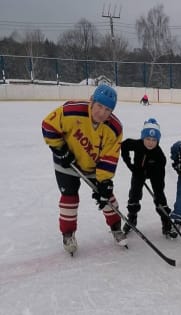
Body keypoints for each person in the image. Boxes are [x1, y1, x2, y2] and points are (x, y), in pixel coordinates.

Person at [41, 84, 127, 255]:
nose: (102, 113)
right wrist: (60, 151)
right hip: (67, 162)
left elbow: (109, 157)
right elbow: (48, 126)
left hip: (94, 166)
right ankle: (68, 234)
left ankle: (116, 227)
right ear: (91, 101)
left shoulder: (114, 129)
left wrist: (104, 182)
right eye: (99, 106)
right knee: (69, 197)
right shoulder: (72, 111)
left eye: (107, 110)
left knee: (107, 196)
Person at [120, 118, 172, 237]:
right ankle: (132, 217)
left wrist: (158, 189)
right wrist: (129, 164)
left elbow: (160, 178)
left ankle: (166, 219)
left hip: (155, 172)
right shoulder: (137, 144)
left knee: (159, 194)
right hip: (139, 171)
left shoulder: (160, 156)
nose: (150, 142)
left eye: (154, 140)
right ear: (143, 138)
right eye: (147, 139)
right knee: (134, 193)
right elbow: (124, 145)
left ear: (158, 141)